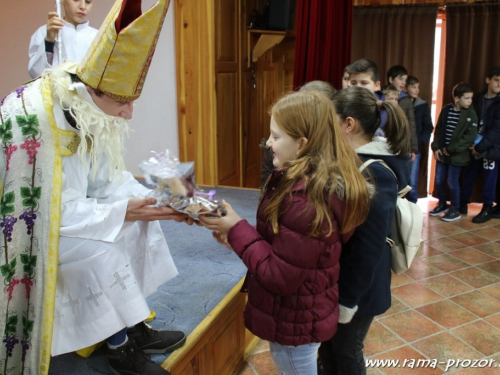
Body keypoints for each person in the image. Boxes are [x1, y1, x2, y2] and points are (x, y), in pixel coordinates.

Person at [1, 1, 187, 374]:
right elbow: (46, 209)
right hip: (32, 226)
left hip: (71, 207)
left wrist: (145, 199)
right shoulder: (35, 118)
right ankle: (119, 348)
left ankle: (134, 326)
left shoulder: (89, 106)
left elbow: (105, 177)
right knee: (102, 250)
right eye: (121, 102)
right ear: (93, 90)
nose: (128, 113)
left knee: (139, 221)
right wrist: (120, 211)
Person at [199, 91, 372, 374]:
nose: (268, 143)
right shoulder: (306, 185)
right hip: (301, 312)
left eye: (276, 137)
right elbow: (286, 244)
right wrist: (236, 234)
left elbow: (280, 275)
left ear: (302, 144)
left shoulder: (307, 201)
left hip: (295, 319)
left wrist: (236, 228)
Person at [317, 86, 411, 375]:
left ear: (348, 124)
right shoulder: (353, 162)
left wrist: (347, 301)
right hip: (346, 283)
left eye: (331, 120)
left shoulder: (374, 172)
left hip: (359, 290)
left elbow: (368, 246)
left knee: (347, 353)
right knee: (330, 351)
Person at [259, 80, 337, 189]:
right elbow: (265, 189)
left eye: (276, 136)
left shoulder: (303, 196)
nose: (268, 142)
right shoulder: (276, 151)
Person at [430, 83, 478, 222]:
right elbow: (438, 130)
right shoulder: (446, 110)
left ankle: (455, 208)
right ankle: (443, 203)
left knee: (452, 181)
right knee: (439, 180)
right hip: (442, 154)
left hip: (457, 155)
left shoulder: (471, 114)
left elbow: (468, 137)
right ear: (457, 99)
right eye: (467, 98)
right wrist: (436, 147)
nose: (470, 101)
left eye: (471, 98)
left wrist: (450, 149)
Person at [460, 66, 500, 223]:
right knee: (469, 175)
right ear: (488, 80)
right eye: (496, 80)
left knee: (490, 178)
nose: (499, 84)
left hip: (490, 148)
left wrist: (480, 148)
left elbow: (497, 131)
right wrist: (472, 145)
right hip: (474, 145)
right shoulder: (478, 98)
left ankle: (487, 208)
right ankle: (462, 203)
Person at [28, 0, 98, 78]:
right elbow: (36, 73)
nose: (83, 6)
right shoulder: (44, 32)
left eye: (88, 2)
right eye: (76, 0)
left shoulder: (98, 37)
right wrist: (49, 42)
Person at [405, 75, 434, 203]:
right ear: (405, 88)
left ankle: (413, 212)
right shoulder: (400, 102)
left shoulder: (422, 105)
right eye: (413, 86)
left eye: (418, 87)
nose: (417, 90)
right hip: (400, 148)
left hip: (415, 149)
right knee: (400, 181)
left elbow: (428, 127)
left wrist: (420, 142)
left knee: (412, 182)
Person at [386, 65, 419, 157]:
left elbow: (411, 125)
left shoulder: (406, 100)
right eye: (400, 79)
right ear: (391, 79)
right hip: (381, 142)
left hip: (399, 144)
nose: (404, 83)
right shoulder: (380, 95)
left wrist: (413, 148)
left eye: (405, 80)